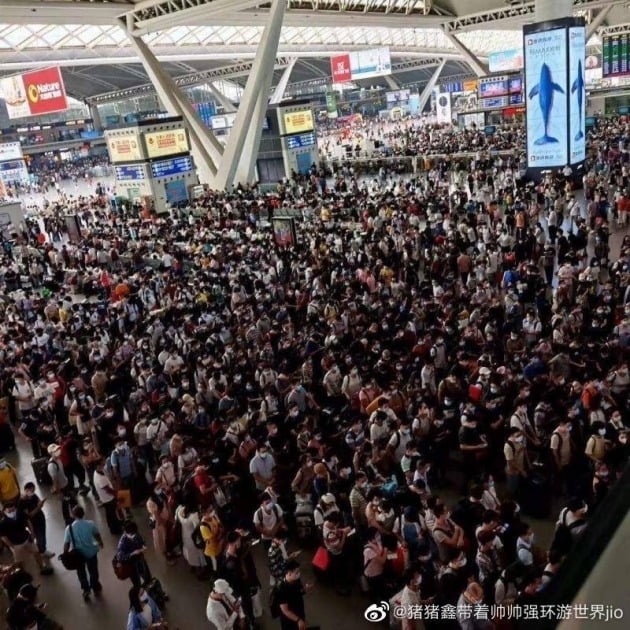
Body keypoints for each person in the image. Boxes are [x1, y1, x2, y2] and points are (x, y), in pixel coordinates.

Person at [62, 505, 103, 600]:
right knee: (93, 571)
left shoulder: (69, 528)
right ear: (83, 514)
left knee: (81, 573)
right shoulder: (90, 524)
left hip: (78, 555)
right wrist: (101, 543)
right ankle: (95, 586)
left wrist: (65, 554)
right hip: (91, 552)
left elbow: (66, 543)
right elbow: (97, 535)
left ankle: (86, 590)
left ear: (73, 515)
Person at [0, 502, 52, 576]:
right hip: (16, 544)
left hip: (27, 539)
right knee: (19, 561)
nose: (12, 512)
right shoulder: (3, 523)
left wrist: (32, 533)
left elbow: (28, 521)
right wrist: (11, 545)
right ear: (4, 511)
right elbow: (3, 536)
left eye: (13, 510)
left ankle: (42, 567)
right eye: (9, 511)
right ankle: (23, 574)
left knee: (36, 552)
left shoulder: (20, 514)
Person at [18, 483, 54, 559]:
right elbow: (29, 515)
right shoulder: (22, 502)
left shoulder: (33, 495)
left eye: (33, 490)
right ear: (26, 490)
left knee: (42, 535)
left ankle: (42, 549)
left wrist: (40, 504)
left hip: (41, 518)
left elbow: (39, 501)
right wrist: (39, 507)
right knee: (39, 537)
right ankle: (41, 551)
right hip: (34, 522)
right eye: (31, 490)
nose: (33, 492)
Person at [276, 559, 314, 630]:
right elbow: (285, 610)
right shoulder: (281, 589)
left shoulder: (296, 580)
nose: (299, 574)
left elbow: (299, 591)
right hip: (289, 620)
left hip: (299, 611)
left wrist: (305, 589)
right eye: (296, 572)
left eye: (299, 571)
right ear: (289, 573)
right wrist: (298, 620)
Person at [116, 520, 151, 588]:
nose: (134, 535)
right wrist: (132, 553)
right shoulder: (122, 542)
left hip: (140, 560)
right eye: (132, 534)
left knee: (147, 577)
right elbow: (120, 557)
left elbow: (141, 540)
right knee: (137, 583)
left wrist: (143, 545)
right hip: (131, 565)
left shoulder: (135, 533)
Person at [175, 502, 206, 577]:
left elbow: (177, 520)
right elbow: (197, 527)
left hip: (184, 534)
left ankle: (192, 566)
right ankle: (200, 571)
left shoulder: (179, 510)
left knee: (188, 551)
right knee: (197, 552)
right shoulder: (193, 516)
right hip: (193, 536)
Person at [93, 458, 122, 535]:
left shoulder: (98, 472)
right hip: (108, 499)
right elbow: (108, 490)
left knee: (110, 514)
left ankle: (115, 526)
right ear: (98, 466)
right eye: (102, 464)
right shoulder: (100, 478)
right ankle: (115, 529)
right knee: (111, 514)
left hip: (106, 498)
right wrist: (116, 494)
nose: (104, 465)